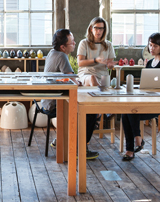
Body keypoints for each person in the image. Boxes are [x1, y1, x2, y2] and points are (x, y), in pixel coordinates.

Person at [42, 28, 99, 160]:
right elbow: (73, 80)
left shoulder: (52, 52)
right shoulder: (62, 56)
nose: (74, 44)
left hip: (46, 101)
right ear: (63, 47)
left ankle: (60, 139)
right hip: (54, 103)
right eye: (72, 42)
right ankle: (81, 148)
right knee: (89, 112)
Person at [122, 32, 160, 161]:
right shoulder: (150, 62)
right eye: (150, 45)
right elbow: (146, 84)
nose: (151, 48)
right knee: (125, 110)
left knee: (130, 111)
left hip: (157, 104)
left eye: (155, 45)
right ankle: (132, 147)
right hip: (146, 100)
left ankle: (136, 142)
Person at [77, 17, 115, 86]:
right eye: (96, 28)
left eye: (101, 29)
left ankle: (100, 93)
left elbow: (109, 66)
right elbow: (80, 63)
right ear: (91, 29)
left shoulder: (109, 45)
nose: (99, 31)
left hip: (103, 76)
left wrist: (110, 65)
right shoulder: (84, 43)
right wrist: (96, 60)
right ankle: (100, 93)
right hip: (86, 74)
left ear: (104, 30)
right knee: (92, 78)